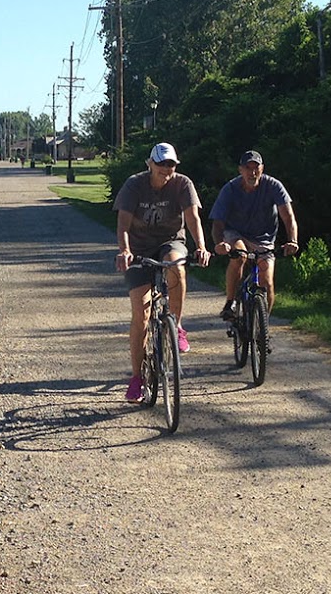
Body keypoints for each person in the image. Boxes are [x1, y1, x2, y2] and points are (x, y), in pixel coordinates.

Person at [114, 142, 211, 402]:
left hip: (171, 241)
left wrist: (201, 247)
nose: (166, 169)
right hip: (139, 248)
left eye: (171, 164)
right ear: (150, 164)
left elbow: (192, 218)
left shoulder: (183, 184)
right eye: (161, 164)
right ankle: (137, 378)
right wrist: (124, 251)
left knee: (177, 265)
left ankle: (176, 325)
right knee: (141, 313)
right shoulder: (134, 185)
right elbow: (123, 223)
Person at [209, 149, 299, 322]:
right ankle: (230, 303)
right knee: (240, 256)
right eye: (248, 168)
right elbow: (218, 222)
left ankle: (262, 325)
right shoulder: (230, 189)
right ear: (240, 170)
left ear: (262, 169)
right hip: (236, 233)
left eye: (256, 168)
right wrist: (219, 243)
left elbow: (288, 217)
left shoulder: (273, 186)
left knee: (268, 281)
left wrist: (292, 241)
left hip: (264, 237)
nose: (252, 172)